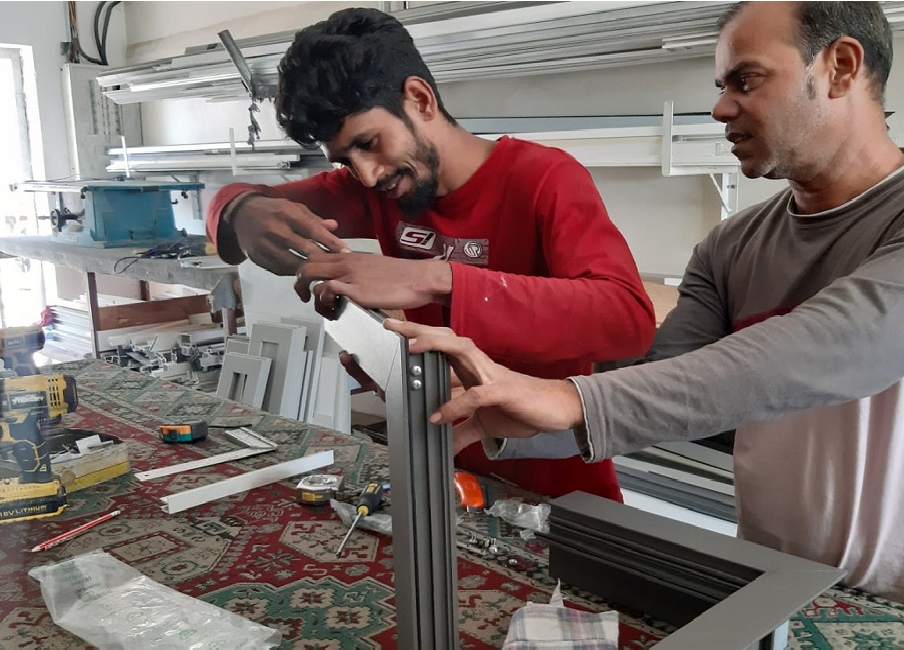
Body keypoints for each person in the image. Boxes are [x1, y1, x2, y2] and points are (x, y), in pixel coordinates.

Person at [384, 1, 904, 616]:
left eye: (746, 79)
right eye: (722, 85)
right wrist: (505, 410)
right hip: (773, 587)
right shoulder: (731, 248)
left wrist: (572, 399)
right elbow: (657, 390)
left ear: (840, 66)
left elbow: (846, 343)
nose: (721, 108)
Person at [205, 8, 656, 500]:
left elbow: (626, 318)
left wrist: (435, 280)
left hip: (561, 487)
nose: (367, 175)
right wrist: (239, 211)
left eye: (369, 143)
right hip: (444, 472)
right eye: (345, 161)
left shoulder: (544, 179)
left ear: (419, 99)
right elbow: (236, 200)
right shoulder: (376, 189)